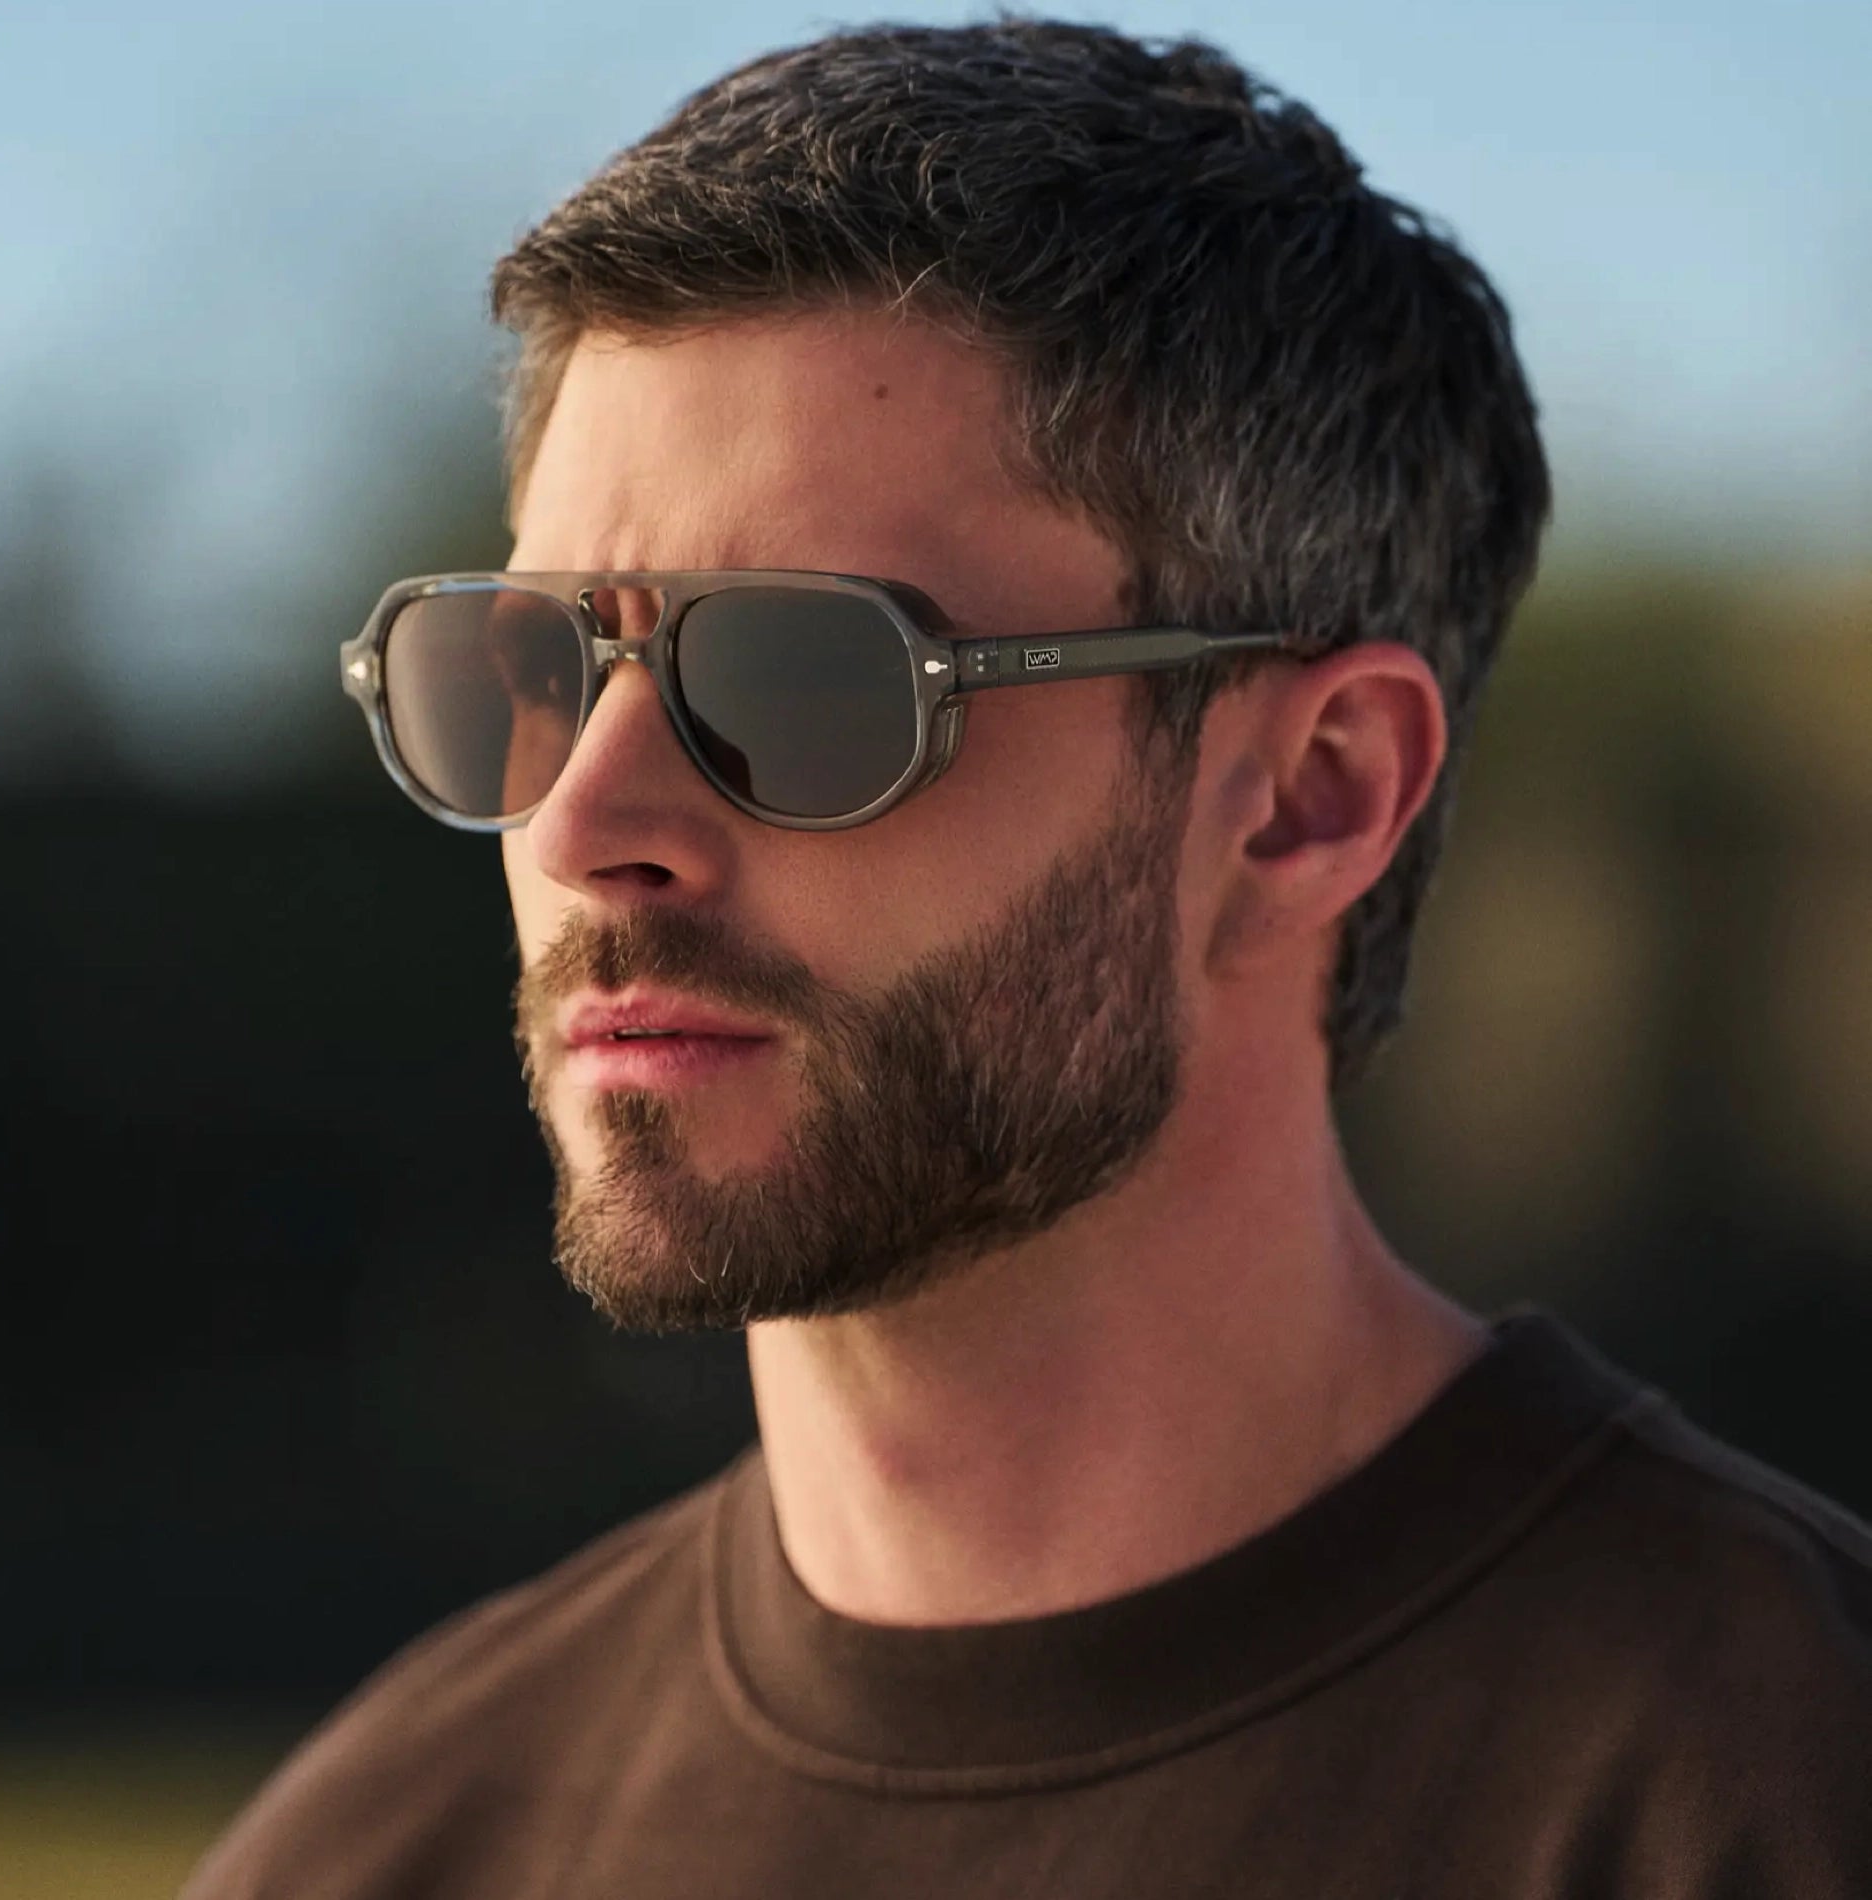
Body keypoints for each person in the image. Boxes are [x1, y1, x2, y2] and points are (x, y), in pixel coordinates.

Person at [187, 19, 1871, 1896]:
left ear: (1314, 796)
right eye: (525, 668)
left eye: (808, 677)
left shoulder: (1774, 1792)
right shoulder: (383, 1842)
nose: (585, 822)